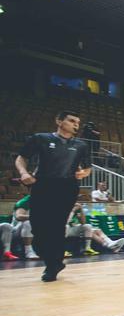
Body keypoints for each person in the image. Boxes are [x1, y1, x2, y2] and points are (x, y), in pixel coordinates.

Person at [14, 110, 93, 281]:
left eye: (77, 122)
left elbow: (87, 168)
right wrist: (24, 173)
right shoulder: (40, 138)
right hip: (42, 185)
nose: (75, 125)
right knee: (38, 226)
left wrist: (84, 173)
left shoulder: (81, 145)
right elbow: (21, 158)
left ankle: (54, 264)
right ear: (59, 121)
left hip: (67, 187)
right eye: (71, 121)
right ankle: (49, 256)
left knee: (57, 227)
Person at [9, 195, 38, 259]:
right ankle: (29, 252)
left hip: (34, 231)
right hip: (15, 231)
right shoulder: (25, 201)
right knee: (28, 223)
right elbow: (19, 216)